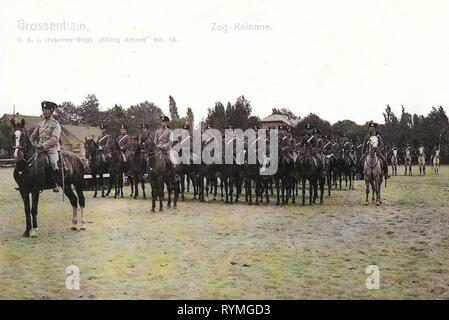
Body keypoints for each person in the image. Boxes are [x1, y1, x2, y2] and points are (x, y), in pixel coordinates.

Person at [30, 101, 61, 192]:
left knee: (53, 162)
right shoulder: (40, 124)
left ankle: (56, 183)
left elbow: (54, 139)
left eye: (46, 110)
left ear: (51, 111)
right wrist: (33, 145)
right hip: (39, 148)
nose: (44, 112)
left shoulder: (56, 124)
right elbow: (32, 137)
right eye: (43, 110)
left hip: (51, 149)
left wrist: (42, 146)